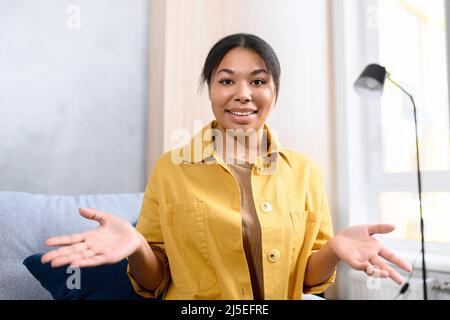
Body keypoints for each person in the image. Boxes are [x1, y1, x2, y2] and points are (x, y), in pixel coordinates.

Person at [41, 33, 412, 300]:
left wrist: (334, 249)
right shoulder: (171, 169)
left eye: (258, 81)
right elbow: (155, 283)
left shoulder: (304, 172)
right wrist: (138, 247)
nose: (243, 94)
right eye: (226, 80)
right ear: (210, 89)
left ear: (275, 90)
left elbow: (307, 282)